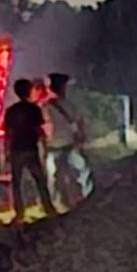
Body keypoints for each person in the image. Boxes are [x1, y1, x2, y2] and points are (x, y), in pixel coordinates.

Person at [4, 79, 57, 224]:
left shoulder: (11, 111)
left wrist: (6, 152)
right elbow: (39, 129)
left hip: (16, 149)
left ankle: (19, 213)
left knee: (17, 182)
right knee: (40, 179)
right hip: (30, 148)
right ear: (28, 91)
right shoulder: (34, 110)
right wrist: (44, 145)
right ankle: (48, 208)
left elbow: (7, 133)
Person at [43, 73, 94, 206]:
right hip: (69, 145)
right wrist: (81, 137)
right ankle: (86, 196)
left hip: (53, 146)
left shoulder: (44, 107)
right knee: (82, 170)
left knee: (52, 177)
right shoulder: (68, 105)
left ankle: (54, 203)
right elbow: (79, 122)